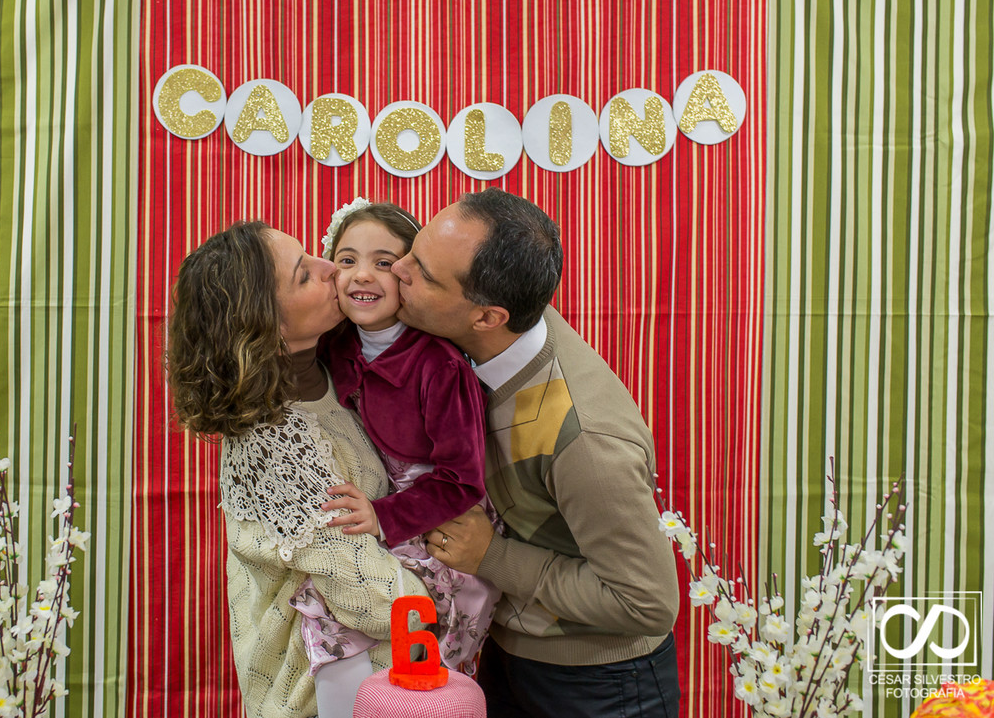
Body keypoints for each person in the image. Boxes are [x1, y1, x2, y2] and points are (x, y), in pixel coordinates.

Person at [390, 188, 682, 718]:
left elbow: (647, 602)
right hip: (510, 650)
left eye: (424, 274)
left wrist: (493, 558)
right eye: (414, 249)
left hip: (599, 684)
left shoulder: (585, 438)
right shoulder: (480, 336)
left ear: (488, 317)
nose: (398, 268)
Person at [167, 221, 430, 718]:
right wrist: (460, 582)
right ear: (270, 325)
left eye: (314, 255)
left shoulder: (340, 368)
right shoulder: (273, 444)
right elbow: (372, 598)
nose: (332, 267)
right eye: (305, 274)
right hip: (318, 699)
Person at [290, 199, 498, 687]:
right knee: (325, 588)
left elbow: (461, 481)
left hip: (436, 523)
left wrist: (384, 516)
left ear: (410, 276)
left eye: (384, 263)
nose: (362, 275)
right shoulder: (334, 343)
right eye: (347, 260)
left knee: (380, 621)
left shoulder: (438, 365)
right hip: (377, 501)